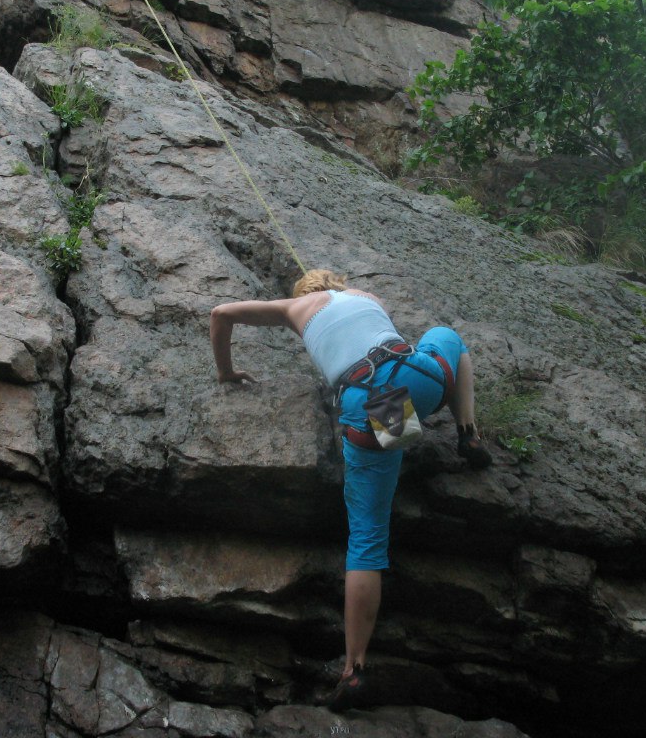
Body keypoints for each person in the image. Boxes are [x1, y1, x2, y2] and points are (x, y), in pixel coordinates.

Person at [208, 269, 490, 709]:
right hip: (415, 378)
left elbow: (220, 312)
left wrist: (225, 373)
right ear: (334, 283)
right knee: (447, 336)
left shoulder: (292, 309)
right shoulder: (362, 293)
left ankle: (354, 668)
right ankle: (468, 431)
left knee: (367, 540)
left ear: (304, 293)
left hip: (368, 403)